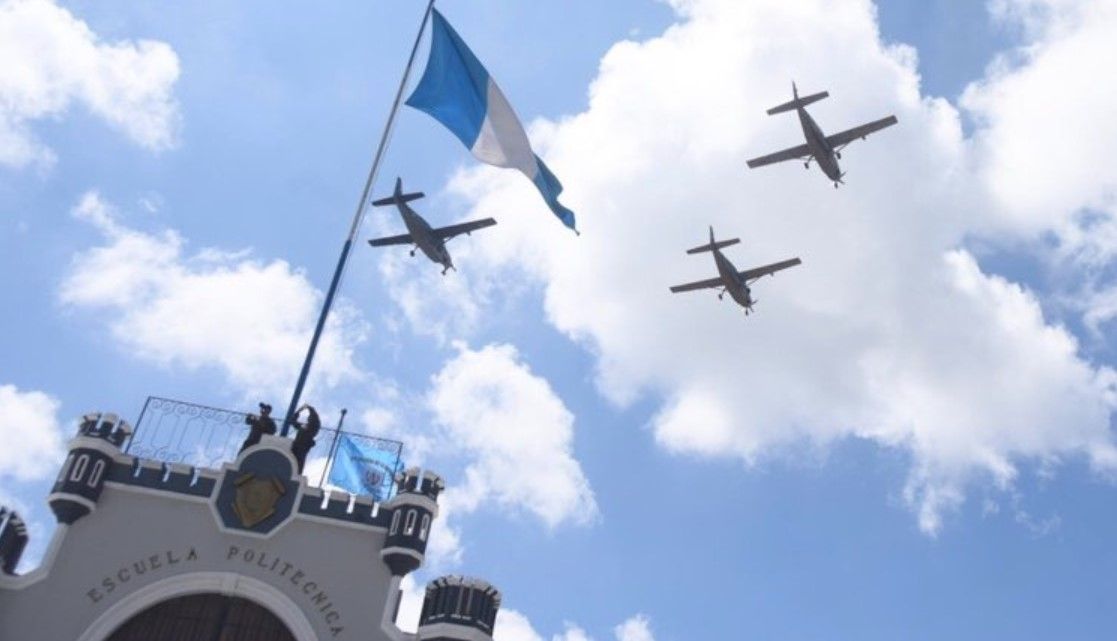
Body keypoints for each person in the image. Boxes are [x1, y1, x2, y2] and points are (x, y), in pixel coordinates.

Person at [290, 404, 320, 473]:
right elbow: (293, 421)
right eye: (309, 418)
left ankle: (298, 473)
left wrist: (310, 408)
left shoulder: (313, 427)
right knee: (292, 460)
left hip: (303, 447)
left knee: (299, 462)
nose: (309, 418)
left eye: (311, 417)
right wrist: (298, 411)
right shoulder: (303, 426)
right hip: (296, 446)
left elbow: (315, 418)